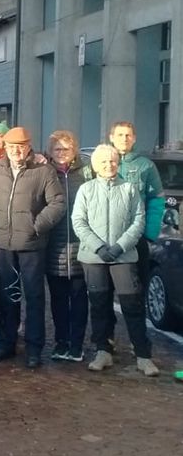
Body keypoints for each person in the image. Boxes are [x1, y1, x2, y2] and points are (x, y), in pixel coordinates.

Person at [0, 126, 65, 368]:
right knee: (7, 296)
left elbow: (58, 203)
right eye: (12, 147)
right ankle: (7, 343)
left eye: (21, 146)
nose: (16, 151)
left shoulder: (43, 170)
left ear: (28, 147)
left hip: (32, 244)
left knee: (34, 297)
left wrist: (37, 226)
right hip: (3, 244)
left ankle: (34, 348)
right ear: (5, 148)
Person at [72, 144, 158, 376]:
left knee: (132, 304)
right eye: (103, 161)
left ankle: (143, 355)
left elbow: (138, 220)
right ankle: (103, 351)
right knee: (99, 304)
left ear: (117, 163)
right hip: (94, 257)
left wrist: (120, 246)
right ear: (95, 165)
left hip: (124, 255)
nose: (108, 165)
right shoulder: (86, 189)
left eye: (112, 161)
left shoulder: (129, 189)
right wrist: (99, 247)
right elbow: (78, 221)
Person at [45, 130, 90, 362]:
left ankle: (77, 344)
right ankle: (61, 342)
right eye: (57, 149)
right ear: (50, 151)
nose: (62, 153)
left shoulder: (86, 172)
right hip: (54, 247)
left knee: (80, 299)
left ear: (74, 150)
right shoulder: (45, 172)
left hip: (81, 246)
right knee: (58, 300)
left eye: (66, 148)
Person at [109, 121, 164, 288]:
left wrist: (149, 234)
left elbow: (156, 199)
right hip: (106, 237)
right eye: (120, 135)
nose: (124, 138)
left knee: (136, 289)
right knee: (104, 292)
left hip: (136, 237)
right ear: (111, 137)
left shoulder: (146, 165)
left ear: (134, 138)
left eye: (128, 135)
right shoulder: (101, 161)